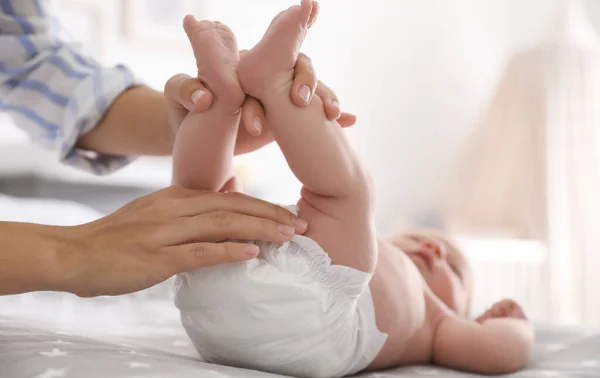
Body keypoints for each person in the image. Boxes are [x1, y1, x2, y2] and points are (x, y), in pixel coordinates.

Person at [172, 0, 535, 378]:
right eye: (416, 239)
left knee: (348, 195)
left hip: (310, 319)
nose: (434, 250)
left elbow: (497, 350)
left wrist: (517, 331)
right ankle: (222, 97)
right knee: (201, 208)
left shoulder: (436, 326)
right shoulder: (353, 251)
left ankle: (253, 88)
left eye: (456, 272)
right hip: (217, 303)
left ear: (463, 312)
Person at [0, 1, 356, 297]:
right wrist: (70, 253)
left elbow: (31, 66)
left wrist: (185, 119)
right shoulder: (408, 273)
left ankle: (235, 95)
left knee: (200, 204)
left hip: (212, 308)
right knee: (335, 200)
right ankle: (262, 89)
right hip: (331, 307)